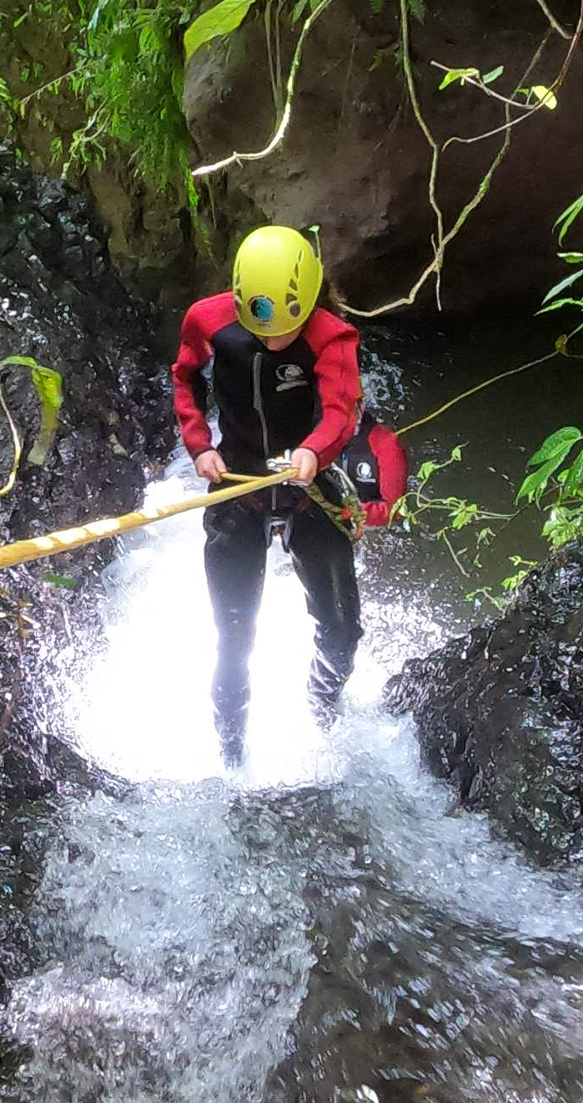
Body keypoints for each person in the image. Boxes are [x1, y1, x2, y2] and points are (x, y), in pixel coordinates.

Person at [172, 225, 365, 767]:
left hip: (311, 488)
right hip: (238, 484)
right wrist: (198, 445)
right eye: (261, 330)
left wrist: (314, 451)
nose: (272, 340)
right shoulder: (207, 321)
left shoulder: (332, 337)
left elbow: (340, 408)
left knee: (342, 628)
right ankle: (232, 759)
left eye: (284, 331)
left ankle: (324, 718)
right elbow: (185, 378)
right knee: (233, 639)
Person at [341, 410, 409, 530]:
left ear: (361, 405)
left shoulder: (387, 446)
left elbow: (394, 511)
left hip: (370, 519)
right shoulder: (326, 431)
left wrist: (354, 512)